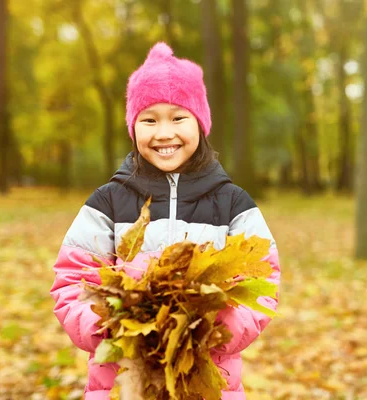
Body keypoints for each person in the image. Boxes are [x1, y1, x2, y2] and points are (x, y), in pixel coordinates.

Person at [49, 42, 281, 400]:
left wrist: (215, 328)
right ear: (133, 126)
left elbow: (261, 282)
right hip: (124, 381)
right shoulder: (107, 203)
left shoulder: (233, 204)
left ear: (200, 124)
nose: (163, 133)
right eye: (149, 119)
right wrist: (110, 328)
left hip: (206, 380)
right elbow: (72, 281)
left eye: (178, 117)